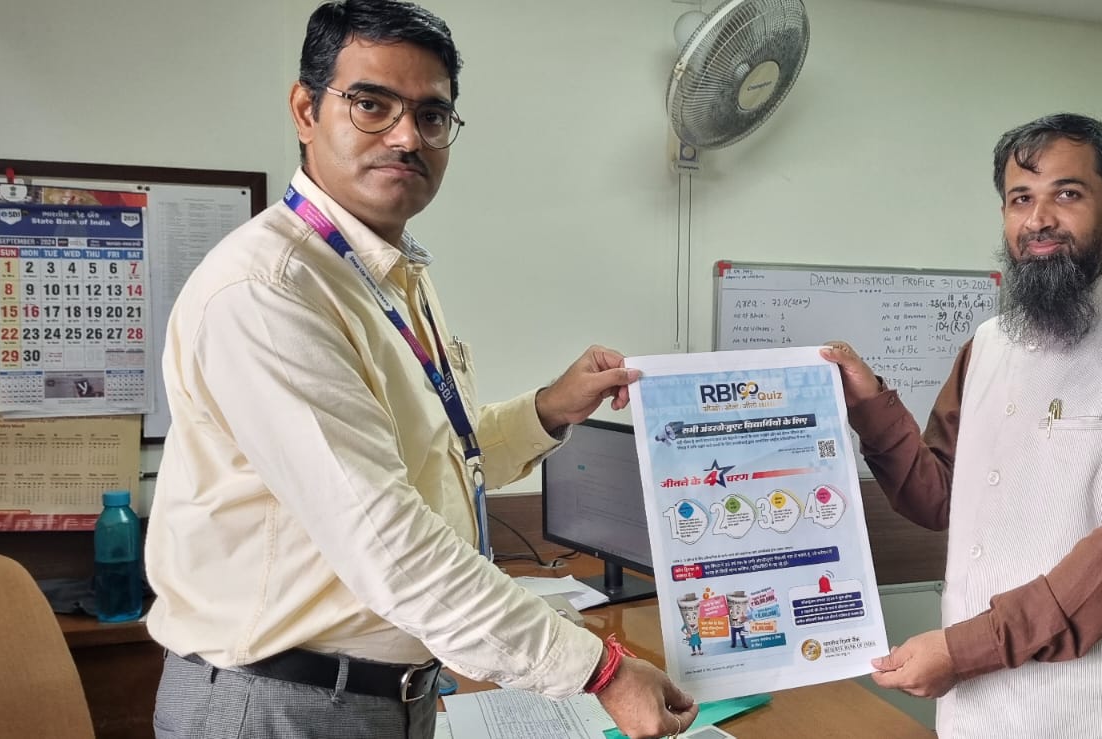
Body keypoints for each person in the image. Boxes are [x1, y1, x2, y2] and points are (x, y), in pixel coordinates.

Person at [144, 3, 696, 738]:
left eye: (431, 116)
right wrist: (602, 670)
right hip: (276, 704)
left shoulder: (386, 273)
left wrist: (548, 409)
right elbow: (388, 541)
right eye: (372, 104)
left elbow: (429, 458)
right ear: (306, 110)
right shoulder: (271, 291)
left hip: (386, 695)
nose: (407, 137)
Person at [821, 113, 1102, 737]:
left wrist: (961, 650)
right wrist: (869, 403)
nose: (1039, 219)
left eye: (1067, 194)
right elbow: (937, 497)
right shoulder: (988, 343)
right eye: (1021, 199)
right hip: (979, 709)